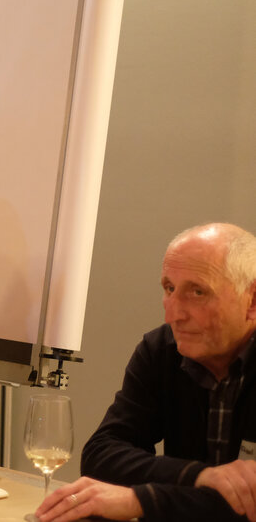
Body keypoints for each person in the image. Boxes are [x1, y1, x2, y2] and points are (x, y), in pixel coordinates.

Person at [36, 223, 256, 522]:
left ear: (252, 301)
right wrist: (199, 475)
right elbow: (102, 455)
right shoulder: (162, 349)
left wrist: (142, 500)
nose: (172, 314)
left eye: (198, 292)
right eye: (169, 289)